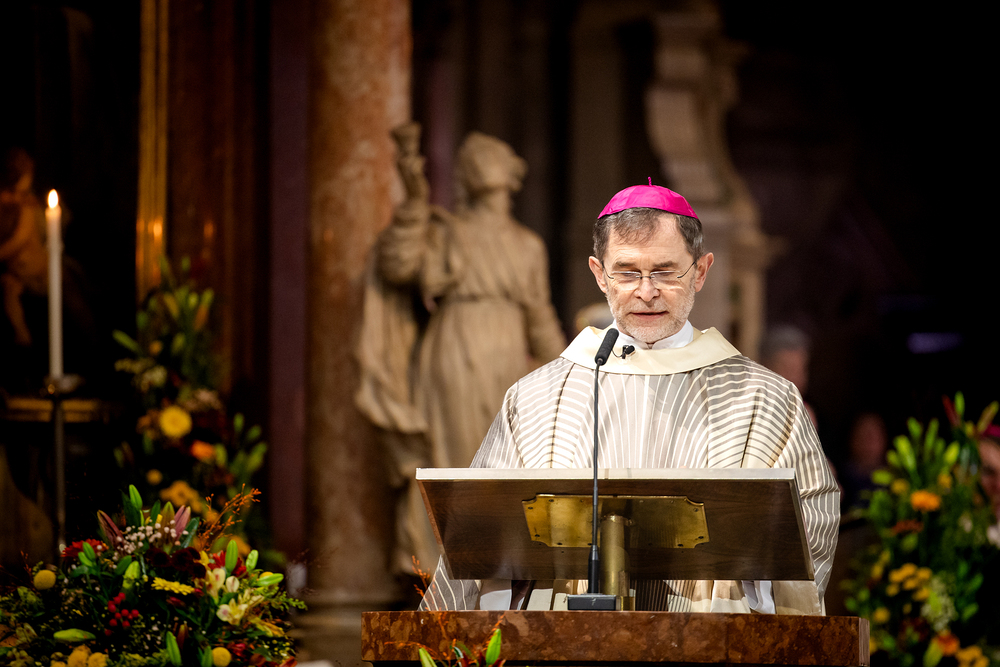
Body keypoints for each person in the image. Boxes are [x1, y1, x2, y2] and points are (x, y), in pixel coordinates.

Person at [419, 182, 840, 614]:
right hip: (567, 637)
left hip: (712, 635)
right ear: (599, 274)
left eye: (665, 272)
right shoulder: (537, 398)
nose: (646, 291)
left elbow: (812, 518)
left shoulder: (764, 398)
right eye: (626, 272)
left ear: (700, 271)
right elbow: (481, 531)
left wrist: (749, 584)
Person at [355, 125, 566, 576]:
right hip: (454, 353)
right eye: (473, 157)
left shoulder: (527, 245)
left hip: (508, 361)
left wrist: (572, 372)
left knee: (508, 468)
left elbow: (540, 318)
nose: (481, 162)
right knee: (455, 463)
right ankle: (447, 575)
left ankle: (501, 575)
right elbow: (398, 266)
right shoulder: (447, 232)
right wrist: (415, 202)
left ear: (510, 174)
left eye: (490, 155)